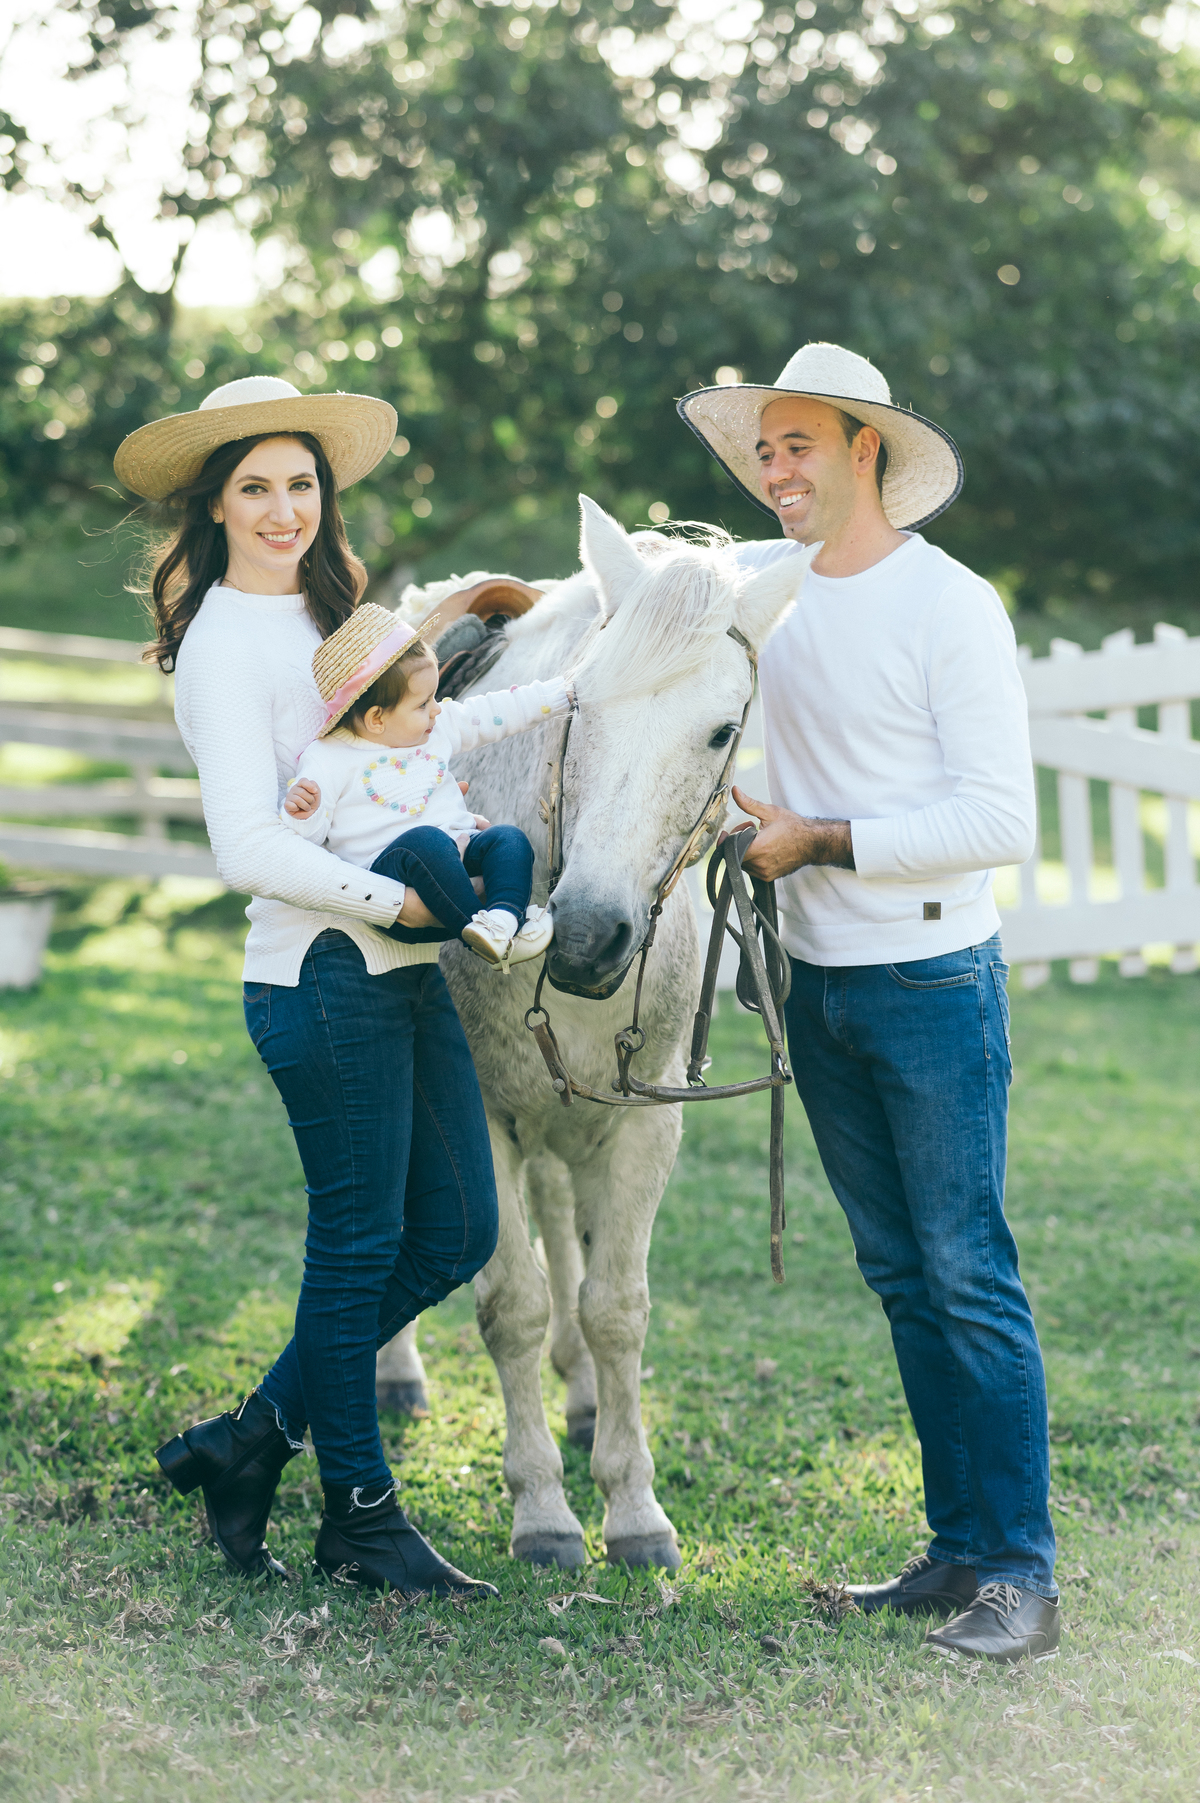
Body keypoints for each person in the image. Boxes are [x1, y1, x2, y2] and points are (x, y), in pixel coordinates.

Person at [679, 342, 1058, 1662]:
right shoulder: (762, 595)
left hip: (932, 978)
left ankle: (1020, 1574)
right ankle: (956, 1548)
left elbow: (998, 815)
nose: (775, 469)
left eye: (800, 445)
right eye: (763, 449)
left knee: (965, 1270)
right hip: (813, 981)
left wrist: (819, 838)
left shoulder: (951, 604)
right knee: (902, 1273)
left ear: (865, 450)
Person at [114, 375, 499, 1598]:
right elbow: (248, 846)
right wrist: (408, 904)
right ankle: (362, 1517)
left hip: (399, 971)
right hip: (322, 978)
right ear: (214, 506)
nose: (283, 509)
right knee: (359, 1247)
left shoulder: (340, 619)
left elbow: (411, 748)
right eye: (255, 488)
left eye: (301, 484)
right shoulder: (224, 647)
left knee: (458, 1229)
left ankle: (248, 1443)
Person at [281, 601, 567, 969]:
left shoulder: (436, 728)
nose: (436, 709)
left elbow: (495, 713)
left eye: (434, 698)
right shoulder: (328, 758)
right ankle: (480, 929)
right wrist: (302, 815)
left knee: (507, 838)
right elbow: (308, 840)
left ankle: (504, 920)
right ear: (376, 719)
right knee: (426, 840)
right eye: (422, 704)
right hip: (396, 881)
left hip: (456, 862)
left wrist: (559, 695)